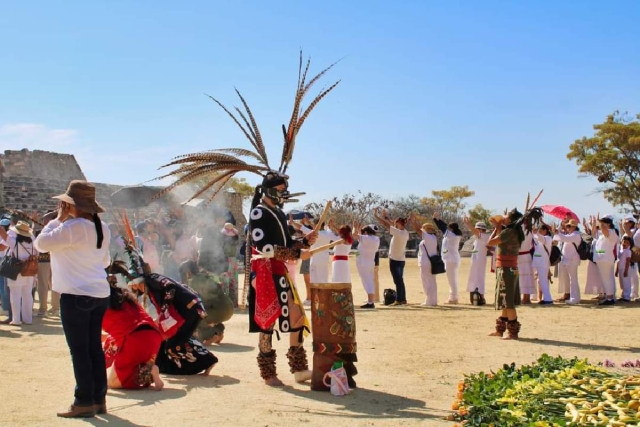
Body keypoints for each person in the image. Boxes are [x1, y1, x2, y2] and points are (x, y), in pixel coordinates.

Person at [34, 180, 112, 418]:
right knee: (94, 350)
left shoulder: (70, 227)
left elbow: (40, 244)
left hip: (76, 294)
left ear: (70, 204)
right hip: (99, 293)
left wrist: (57, 219)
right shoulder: (103, 227)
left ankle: (83, 401)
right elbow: (105, 261)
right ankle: (98, 399)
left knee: (79, 351)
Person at [248, 172, 318, 386]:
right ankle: (268, 373)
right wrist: (297, 254)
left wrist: (304, 242)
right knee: (267, 322)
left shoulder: (278, 213)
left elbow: (287, 243)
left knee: (296, 316)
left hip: (280, 271)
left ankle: (299, 369)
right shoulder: (259, 212)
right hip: (264, 272)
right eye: (280, 189)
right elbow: (265, 248)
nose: (284, 193)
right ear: (269, 190)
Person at [102, 270, 164, 390]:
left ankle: (146, 371)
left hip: (133, 339)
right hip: (154, 336)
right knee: (112, 341)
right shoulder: (126, 297)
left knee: (113, 383)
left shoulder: (101, 303)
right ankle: (150, 368)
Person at [486, 209, 525, 340]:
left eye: (506, 217)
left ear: (511, 220)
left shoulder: (509, 231)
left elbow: (490, 243)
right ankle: (500, 330)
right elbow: (499, 241)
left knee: (508, 301)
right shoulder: (515, 231)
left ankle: (512, 333)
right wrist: (499, 228)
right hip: (509, 267)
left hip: (506, 268)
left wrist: (497, 227)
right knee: (505, 298)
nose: (504, 218)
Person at [373, 208, 411, 305]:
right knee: (400, 280)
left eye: (396, 223)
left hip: (395, 260)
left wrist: (377, 216)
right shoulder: (405, 232)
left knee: (398, 281)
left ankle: (400, 299)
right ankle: (402, 298)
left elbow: (387, 225)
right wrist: (386, 217)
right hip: (401, 260)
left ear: (399, 223)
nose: (394, 224)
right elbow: (391, 224)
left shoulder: (398, 233)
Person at [4, 221, 37, 326]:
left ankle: (16, 320)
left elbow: (3, 235)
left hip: (17, 271)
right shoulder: (32, 243)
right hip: (29, 271)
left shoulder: (14, 242)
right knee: (27, 296)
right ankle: (28, 319)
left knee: (15, 295)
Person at [552, 218, 582, 305]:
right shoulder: (570, 235)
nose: (567, 228)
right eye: (567, 226)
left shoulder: (575, 235)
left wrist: (558, 232)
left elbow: (564, 238)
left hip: (572, 260)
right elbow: (560, 238)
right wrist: (557, 232)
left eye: (569, 226)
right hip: (567, 260)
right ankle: (575, 297)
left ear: (574, 227)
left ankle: (574, 298)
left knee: (573, 279)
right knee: (570, 279)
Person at [591, 215, 619, 305]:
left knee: (607, 279)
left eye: (603, 223)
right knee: (606, 279)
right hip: (603, 259)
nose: (601, 225)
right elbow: (594, 235)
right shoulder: (602, 234)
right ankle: (610, 297)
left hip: (606, 260)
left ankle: (610, 298)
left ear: (608, 224)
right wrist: (598, 253)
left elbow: (605, 230)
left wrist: (601, 223)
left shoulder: (612, 232)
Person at [36, 211, 59, 317]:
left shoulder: (43, 232)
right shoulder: (59, 231)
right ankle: (55, 308)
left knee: (43, 286)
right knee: (53, 285)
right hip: (54, 261)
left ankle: (43, 309)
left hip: (44, 261)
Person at [462, 217, 490, 304]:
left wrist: (468, 223)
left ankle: (481, 296)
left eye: (478, 229)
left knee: (478, 277)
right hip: (478, 259)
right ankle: (479, 295)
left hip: (479, 259)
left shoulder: (483, 236)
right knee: (477, 277)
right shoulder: (483, 237)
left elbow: (475, 231)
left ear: (481, 229)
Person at [353, 224, 380, 308]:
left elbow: (354, 235)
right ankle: (370, 301)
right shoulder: (376, 239)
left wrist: (354, 227)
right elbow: (359, 249)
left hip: (363, 264)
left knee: (367, 282)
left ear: (366, 232)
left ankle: (370, 302)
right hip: (370, 263)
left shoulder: (366, 238)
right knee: (369, 281)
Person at [414, 220, 439, 306]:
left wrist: (413, 221)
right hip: (431, 262)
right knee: (432, 281)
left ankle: (429, 300)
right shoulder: (434, 237)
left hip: (426, 262)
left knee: (427, 281)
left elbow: (418, 230)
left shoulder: (428, 237)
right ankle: (433, 300)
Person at [532, 224, 553, 304]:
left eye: (541, 230)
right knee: (541, 281)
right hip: (538, 263)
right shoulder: (539, 238)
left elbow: (540, 238)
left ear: (545, 231)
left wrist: (536, 232)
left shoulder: (548, 238)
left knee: (544, 281)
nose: (539, 232)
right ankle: (545, 298)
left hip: (543, 263)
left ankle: (548, 299)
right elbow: (534, 237)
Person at [617, 236, 632, 302]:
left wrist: (626, 271)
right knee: (622, 283)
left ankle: (627, 297)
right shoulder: (620, 251)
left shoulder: (628, 251)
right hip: (620, 269)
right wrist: (617, 270)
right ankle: (623, 295)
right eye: (624, 242)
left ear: (629, 244)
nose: (625, 243)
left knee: (626, 283)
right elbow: (618, 261)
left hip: (626, 269)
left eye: (627, 242)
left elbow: (628, 261)